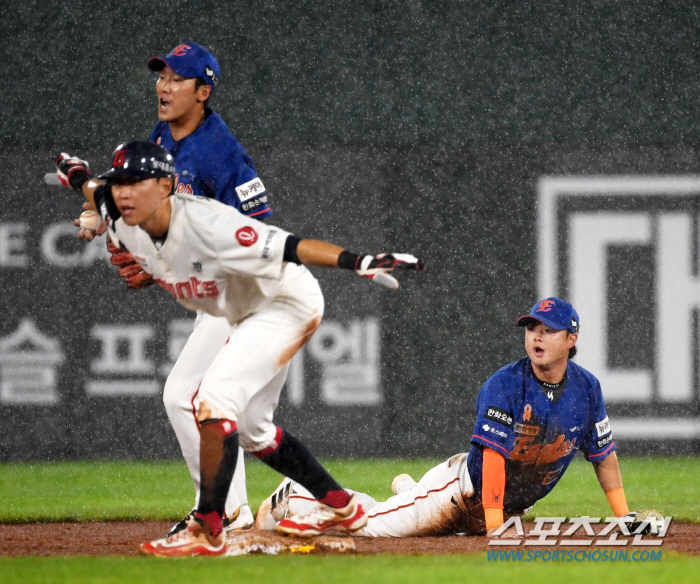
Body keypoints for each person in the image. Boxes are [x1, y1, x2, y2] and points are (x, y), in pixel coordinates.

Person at [54, 140, 425, 556]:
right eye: (119, 183)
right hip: (240, 311)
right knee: (252, 430)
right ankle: (342, 506)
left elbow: (289, 246)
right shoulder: (120, 216)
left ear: (165, 186)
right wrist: (77, 174)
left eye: (136, 183)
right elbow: (95, 191)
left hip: (283, 303)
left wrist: (357, 261)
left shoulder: (210, 224)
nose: (124, 192)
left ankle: (209, 525)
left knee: (212, 399)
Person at [73, 42, 273, 535]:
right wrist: (106, 220)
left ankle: (224, 511)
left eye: (176, 79)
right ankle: (234, 512)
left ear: (203, 91)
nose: (163, 87)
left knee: (184, 393)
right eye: (160, 77)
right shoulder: (163, 135)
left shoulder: (222, 153)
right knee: (206, 399)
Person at [255, 297, 644, 538]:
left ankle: (408, 491)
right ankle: (297, 495)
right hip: (456, 494)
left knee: (404, 517)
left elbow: (603, 455)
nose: (536, 338)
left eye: (548, 331)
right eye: (531, 329)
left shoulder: (587, 388)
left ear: (570, 340)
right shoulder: (505, 385)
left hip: (505, 509)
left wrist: (624, 517)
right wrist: (495, 526)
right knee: (369, 528)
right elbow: (493, 457)